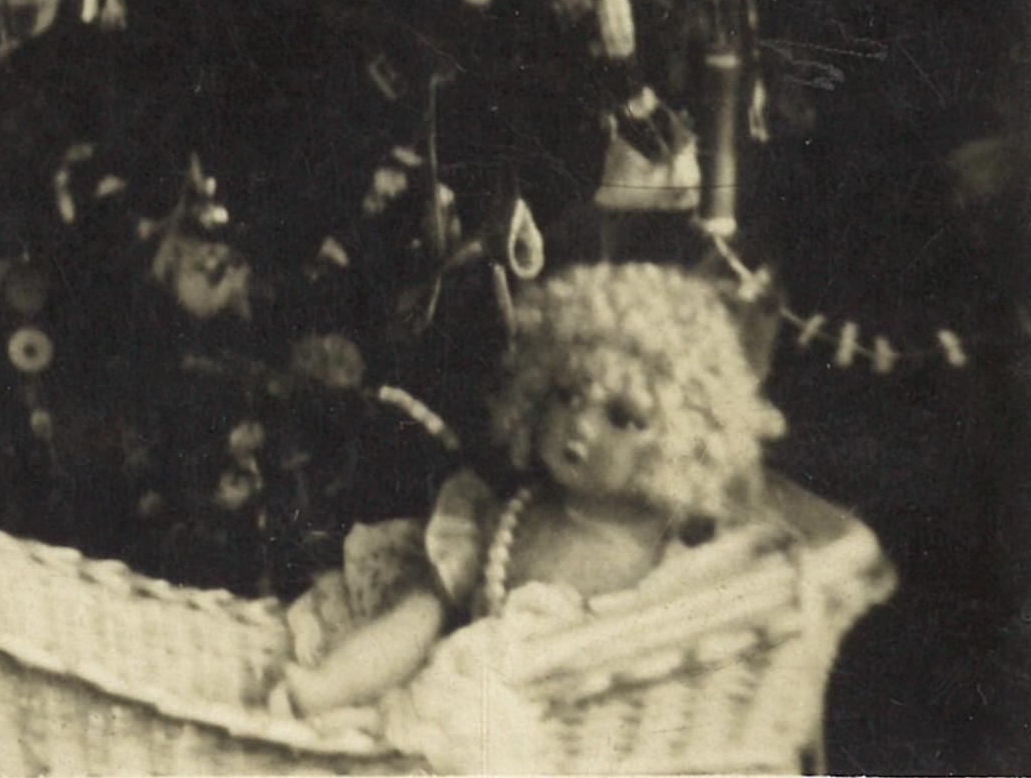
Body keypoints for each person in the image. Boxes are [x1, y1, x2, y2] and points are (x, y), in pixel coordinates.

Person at [276, 261, 787, 723]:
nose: (579, 425)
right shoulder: (497, 518)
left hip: (588, 730)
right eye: (568, 396)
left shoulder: (670, 555)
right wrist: (331, 685)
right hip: (468, 711)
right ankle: (329, 686)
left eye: (621, 417)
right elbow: (417, 623)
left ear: (679, 443)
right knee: (418, 611)